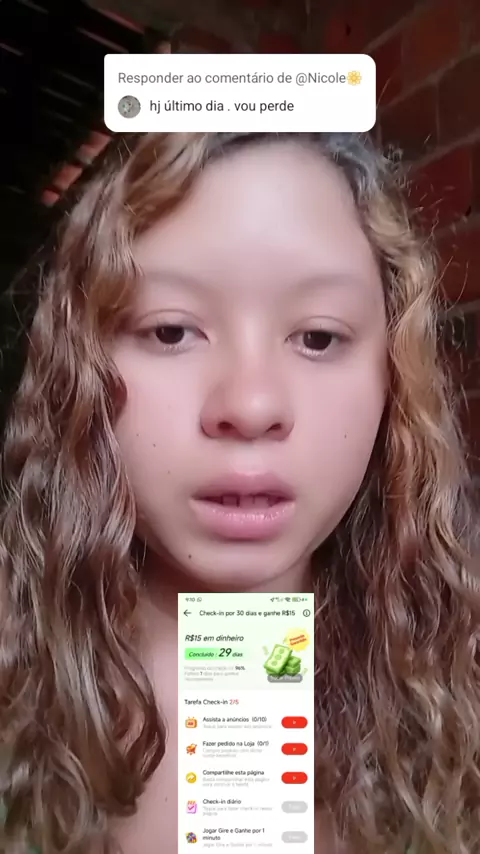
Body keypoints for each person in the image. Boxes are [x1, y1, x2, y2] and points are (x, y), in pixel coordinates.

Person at [1, 131, 479, 854]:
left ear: (394, 378)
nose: (251, 405)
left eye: (318, 337)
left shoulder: (457, 697)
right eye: (170, 331)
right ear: (81, 370)